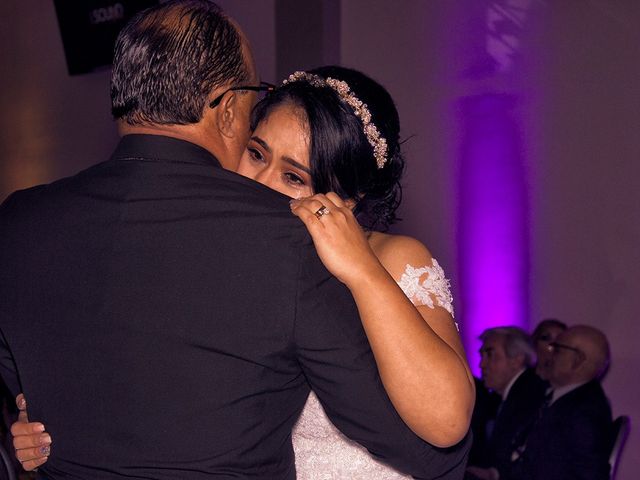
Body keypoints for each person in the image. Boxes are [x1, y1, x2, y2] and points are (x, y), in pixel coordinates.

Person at [0, 1, 471, 479]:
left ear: (349, 201)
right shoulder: (247, 244)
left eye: (293, 176)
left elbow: (441, 423)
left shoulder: (19, 218)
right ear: (231, 117)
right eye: (255, 152)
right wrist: (38, 419)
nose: (262, 185)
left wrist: (363, 270)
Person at [507, 325, 613, 480]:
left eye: (557, 349)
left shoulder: (585, 411)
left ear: (577, 361)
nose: (549, 355)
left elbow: (590, 475)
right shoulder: (561, 396)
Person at [466, 327, 546, 480]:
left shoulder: (531, 396)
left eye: (490, 355)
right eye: (482, 356)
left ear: (517, 360)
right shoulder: (500, 398)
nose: (482, 365)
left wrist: (495, 473)